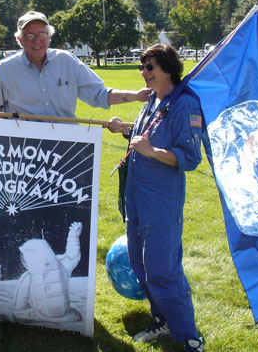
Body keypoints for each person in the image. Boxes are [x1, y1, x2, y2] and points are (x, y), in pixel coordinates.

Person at [106, 44, 205, 352]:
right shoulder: (152, 101)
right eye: (141, 67)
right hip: (136, 196)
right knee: (140, 265)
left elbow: (189, 158)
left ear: (166, 68)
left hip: (161, 201)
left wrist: (151, 152)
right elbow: (145, 135)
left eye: (149, 67)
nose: (143, 73)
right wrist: (125, 130)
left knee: (163, 269)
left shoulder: (184, 104)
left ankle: (190, 337)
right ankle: (162, 320)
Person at [0, 11, 149, 117]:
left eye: (42, 34)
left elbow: (99, 95)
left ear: (50, 37)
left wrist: (136, 96)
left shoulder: (67, 61)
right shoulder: (5, 70)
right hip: (22, 152)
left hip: (65, 150)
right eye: (30, 36)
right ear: (19, 40)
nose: (37, 41)